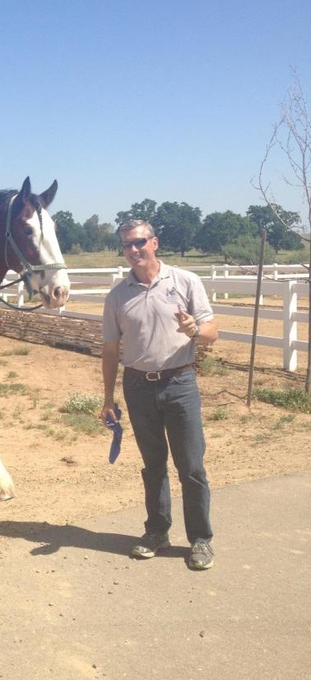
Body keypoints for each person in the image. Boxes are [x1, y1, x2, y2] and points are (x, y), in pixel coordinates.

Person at [100, 219, 218, 570]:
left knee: (192, 466)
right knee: (153, 465)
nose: (132, 251)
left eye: (138, 243)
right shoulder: (118, 296)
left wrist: (196, 329)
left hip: (179, 383)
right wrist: (108, 397)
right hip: (137, 385)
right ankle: (156, 532)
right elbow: (110, 349)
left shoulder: (185, 281)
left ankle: (200, 539)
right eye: (125, 245)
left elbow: (212, 332)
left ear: (155, 243)